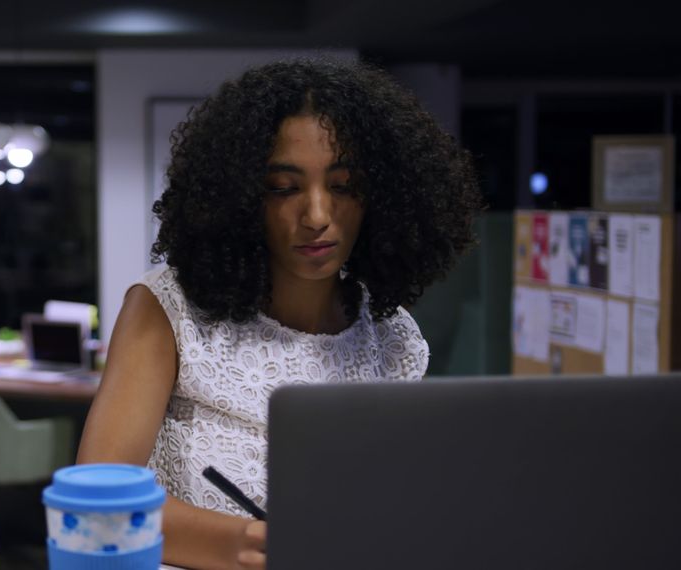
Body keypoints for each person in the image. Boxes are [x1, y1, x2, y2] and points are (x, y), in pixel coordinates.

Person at [77, 57, 483, 569]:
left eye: (343, 186)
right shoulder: (168, 309)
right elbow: (97, 507)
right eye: (283, 188)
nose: (317, 215)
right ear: (242, 198)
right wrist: (250, 544)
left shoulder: (393, 338)